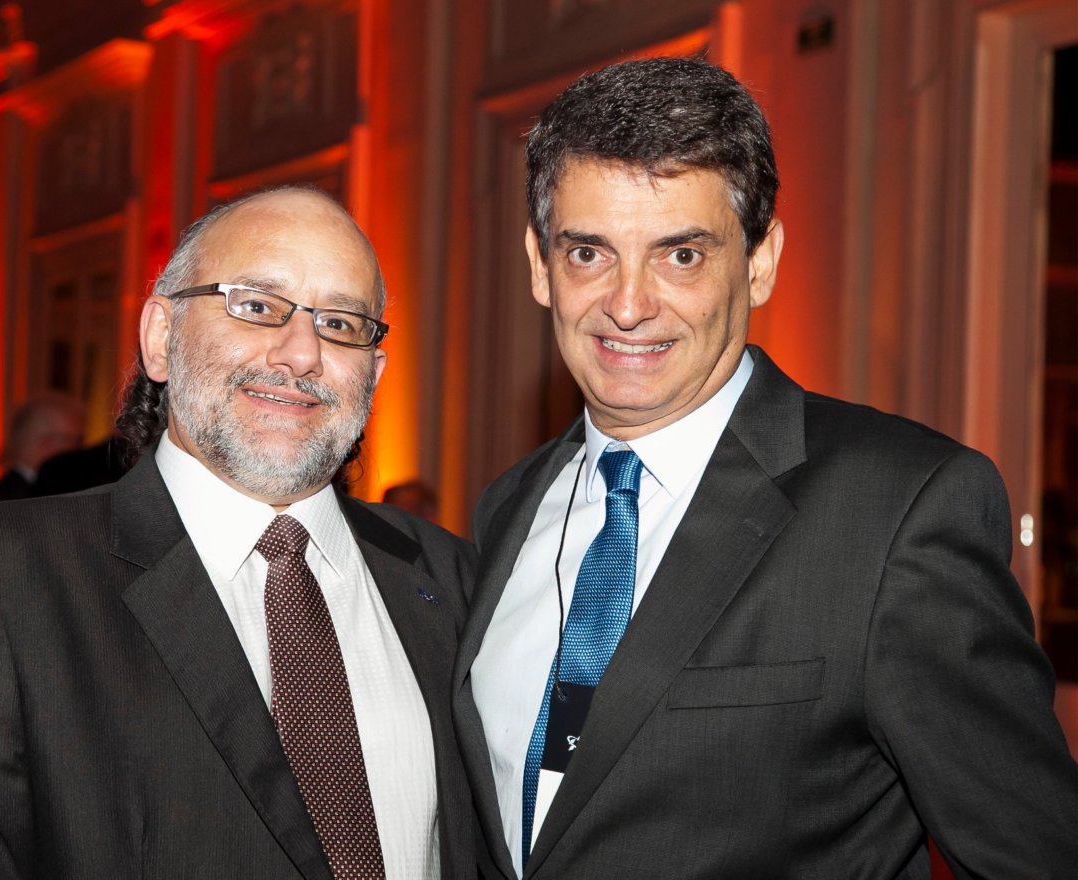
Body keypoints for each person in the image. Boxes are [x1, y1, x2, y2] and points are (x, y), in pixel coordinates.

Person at [454, 57, 1078, 879]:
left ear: (760, 262)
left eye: (681, 255)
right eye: (589, 253)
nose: (628, 304)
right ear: (541, 265)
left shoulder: (897, 514)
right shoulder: (507, 507)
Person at [0, 186, 478, 879]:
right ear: (161, 337)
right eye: (257, 306)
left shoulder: (452, 579)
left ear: (374, 373)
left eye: (339, 322)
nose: (302, 353)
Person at [0, 393, 84, 506]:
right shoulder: (8, 501)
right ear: (46, 443)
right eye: (76, 440)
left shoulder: (0, 495)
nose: (81, 449)